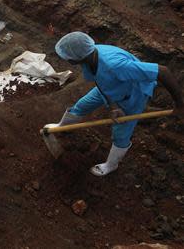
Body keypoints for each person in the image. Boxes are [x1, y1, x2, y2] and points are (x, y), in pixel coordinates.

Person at [47, 31, 183, 176]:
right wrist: (113, 105)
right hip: (110, 87)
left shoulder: (115, 65)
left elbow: (163, 71)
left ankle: (111, 165)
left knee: (121, 133)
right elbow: (99, 79)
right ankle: (63, 127)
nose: (67, 60)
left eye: (67, 58)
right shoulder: (90, 56)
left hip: (131, 95)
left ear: (74, 60)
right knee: (82, 105)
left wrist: (180, 104)